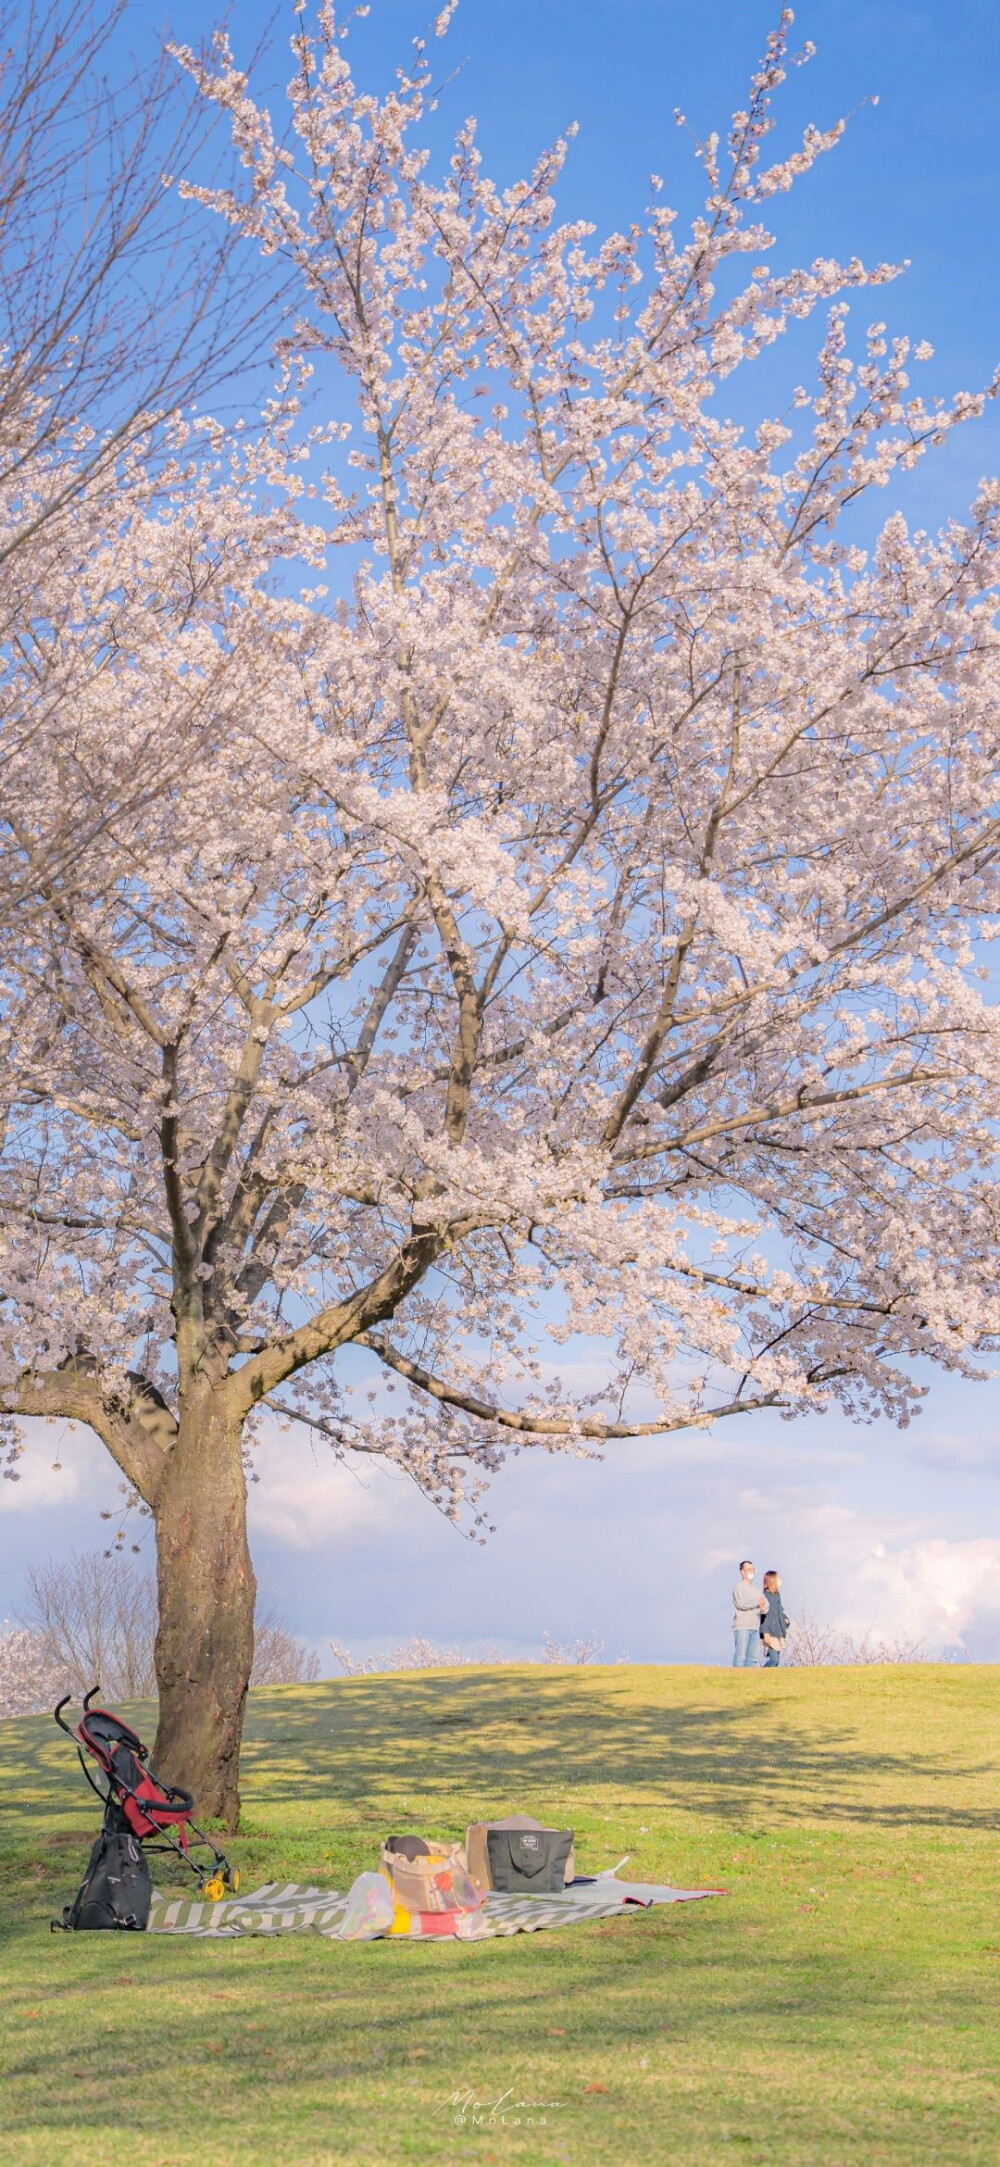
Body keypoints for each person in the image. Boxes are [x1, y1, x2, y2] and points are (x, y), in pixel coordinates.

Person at [732, 1560, 766, 1666]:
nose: (752, 1572)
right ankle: (736, 1680)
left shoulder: (756, 1590)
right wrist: (757, 1602)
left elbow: (765, 1604)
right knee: (740, 1656)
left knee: (752, 1658)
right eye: (749, 1569)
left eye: (753, 1569)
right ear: (742, 1572)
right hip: (742, 1626)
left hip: (755, 1627)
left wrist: (763, 1608)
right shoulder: (739, 1587)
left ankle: (749, 1681)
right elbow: (741, 1604)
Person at [760, 1571, 792, 1667]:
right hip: (770, 1632)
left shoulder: (777, 1595)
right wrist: (765, 1633)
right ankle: (761, 1673)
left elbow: (779, 1612)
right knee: (774, 1660)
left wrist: (786, 1620)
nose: (780, 1580)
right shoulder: (765, 1596)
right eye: (778, 1578)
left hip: (778, 1632)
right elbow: (763, 1616)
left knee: (776, 1662)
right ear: (772, 1580)